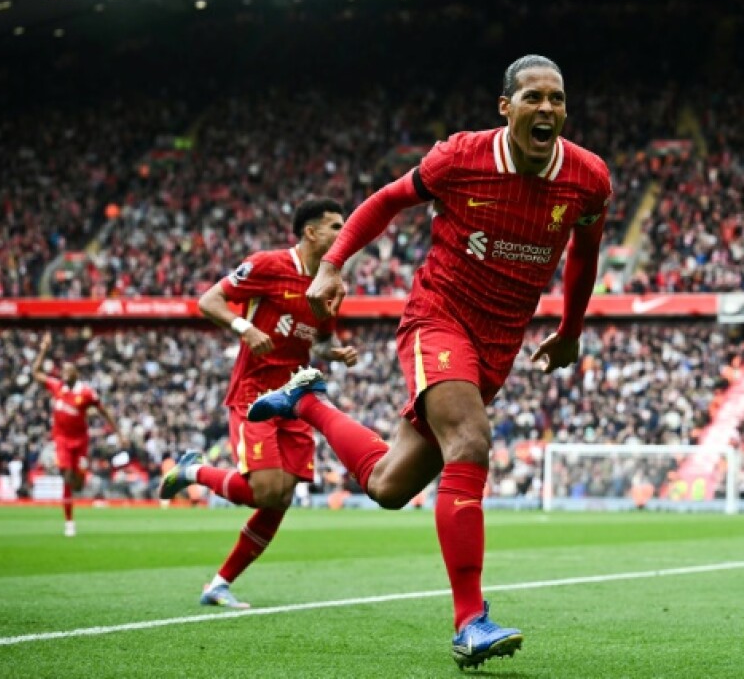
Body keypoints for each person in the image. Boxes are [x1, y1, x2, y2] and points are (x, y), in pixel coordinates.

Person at [249, 55, 612, 668]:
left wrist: (571, 329)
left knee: (390, 486)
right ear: (506, 107)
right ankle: (471, 619)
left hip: (499, 343)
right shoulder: (460, 157)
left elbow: (585, 253)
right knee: (470, 440)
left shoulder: (588, 179)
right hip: (438, 317)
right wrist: (334, 264)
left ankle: (305, 400)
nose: (546, 109)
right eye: (532, 98)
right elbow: (386, 202)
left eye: (556, 99)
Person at [158, 198, 358, 609]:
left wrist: (334, 352)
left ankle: (218, 584)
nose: (345, 233)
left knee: (280, 498)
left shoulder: (331, 284)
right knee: (265, 489)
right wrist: (244, 327)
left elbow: (319, 339)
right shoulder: (268, 265)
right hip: (255, 393)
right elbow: (209, 300)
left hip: (297, 397)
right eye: (337, 226)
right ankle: (192, 470)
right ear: (311, 232)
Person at [31, 333, 125, 536]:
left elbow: (104, 412)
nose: (64, 374)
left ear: (76, 373)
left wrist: (119, 433)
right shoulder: (57, 387)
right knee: (66, 477)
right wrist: (43, 349)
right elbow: (35, 372)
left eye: (68, 371)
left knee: (78, 484)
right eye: (63, 371)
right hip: (62, 440)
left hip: (80, 441)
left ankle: (78, 481)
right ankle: (69, 522)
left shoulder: (87, 393)